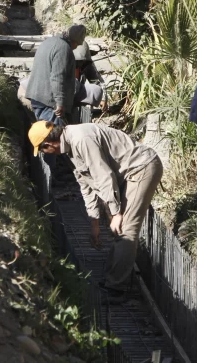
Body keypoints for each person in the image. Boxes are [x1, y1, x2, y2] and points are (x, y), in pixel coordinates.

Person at [28, 121, 163, 300]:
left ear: (48, 144)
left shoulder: (82, 140)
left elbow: (104, 177)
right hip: (126, 173)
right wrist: (94, 222)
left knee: (126, 230)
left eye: (43, 150)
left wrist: (116, 213)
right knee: (119, 228)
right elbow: (86, 184)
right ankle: (115, 277)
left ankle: (117, 288)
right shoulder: (70, 148)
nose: (45, 154)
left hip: (141, 168)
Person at [25, 24, 87, 126]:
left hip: (37, 98)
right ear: (75, 41)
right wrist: (60, 102)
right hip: (50, 103)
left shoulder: (48, 42)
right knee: (53, 137)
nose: (76, 48)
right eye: (78, 44)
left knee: (43, 135)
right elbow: (58, 77)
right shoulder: (63, 48)